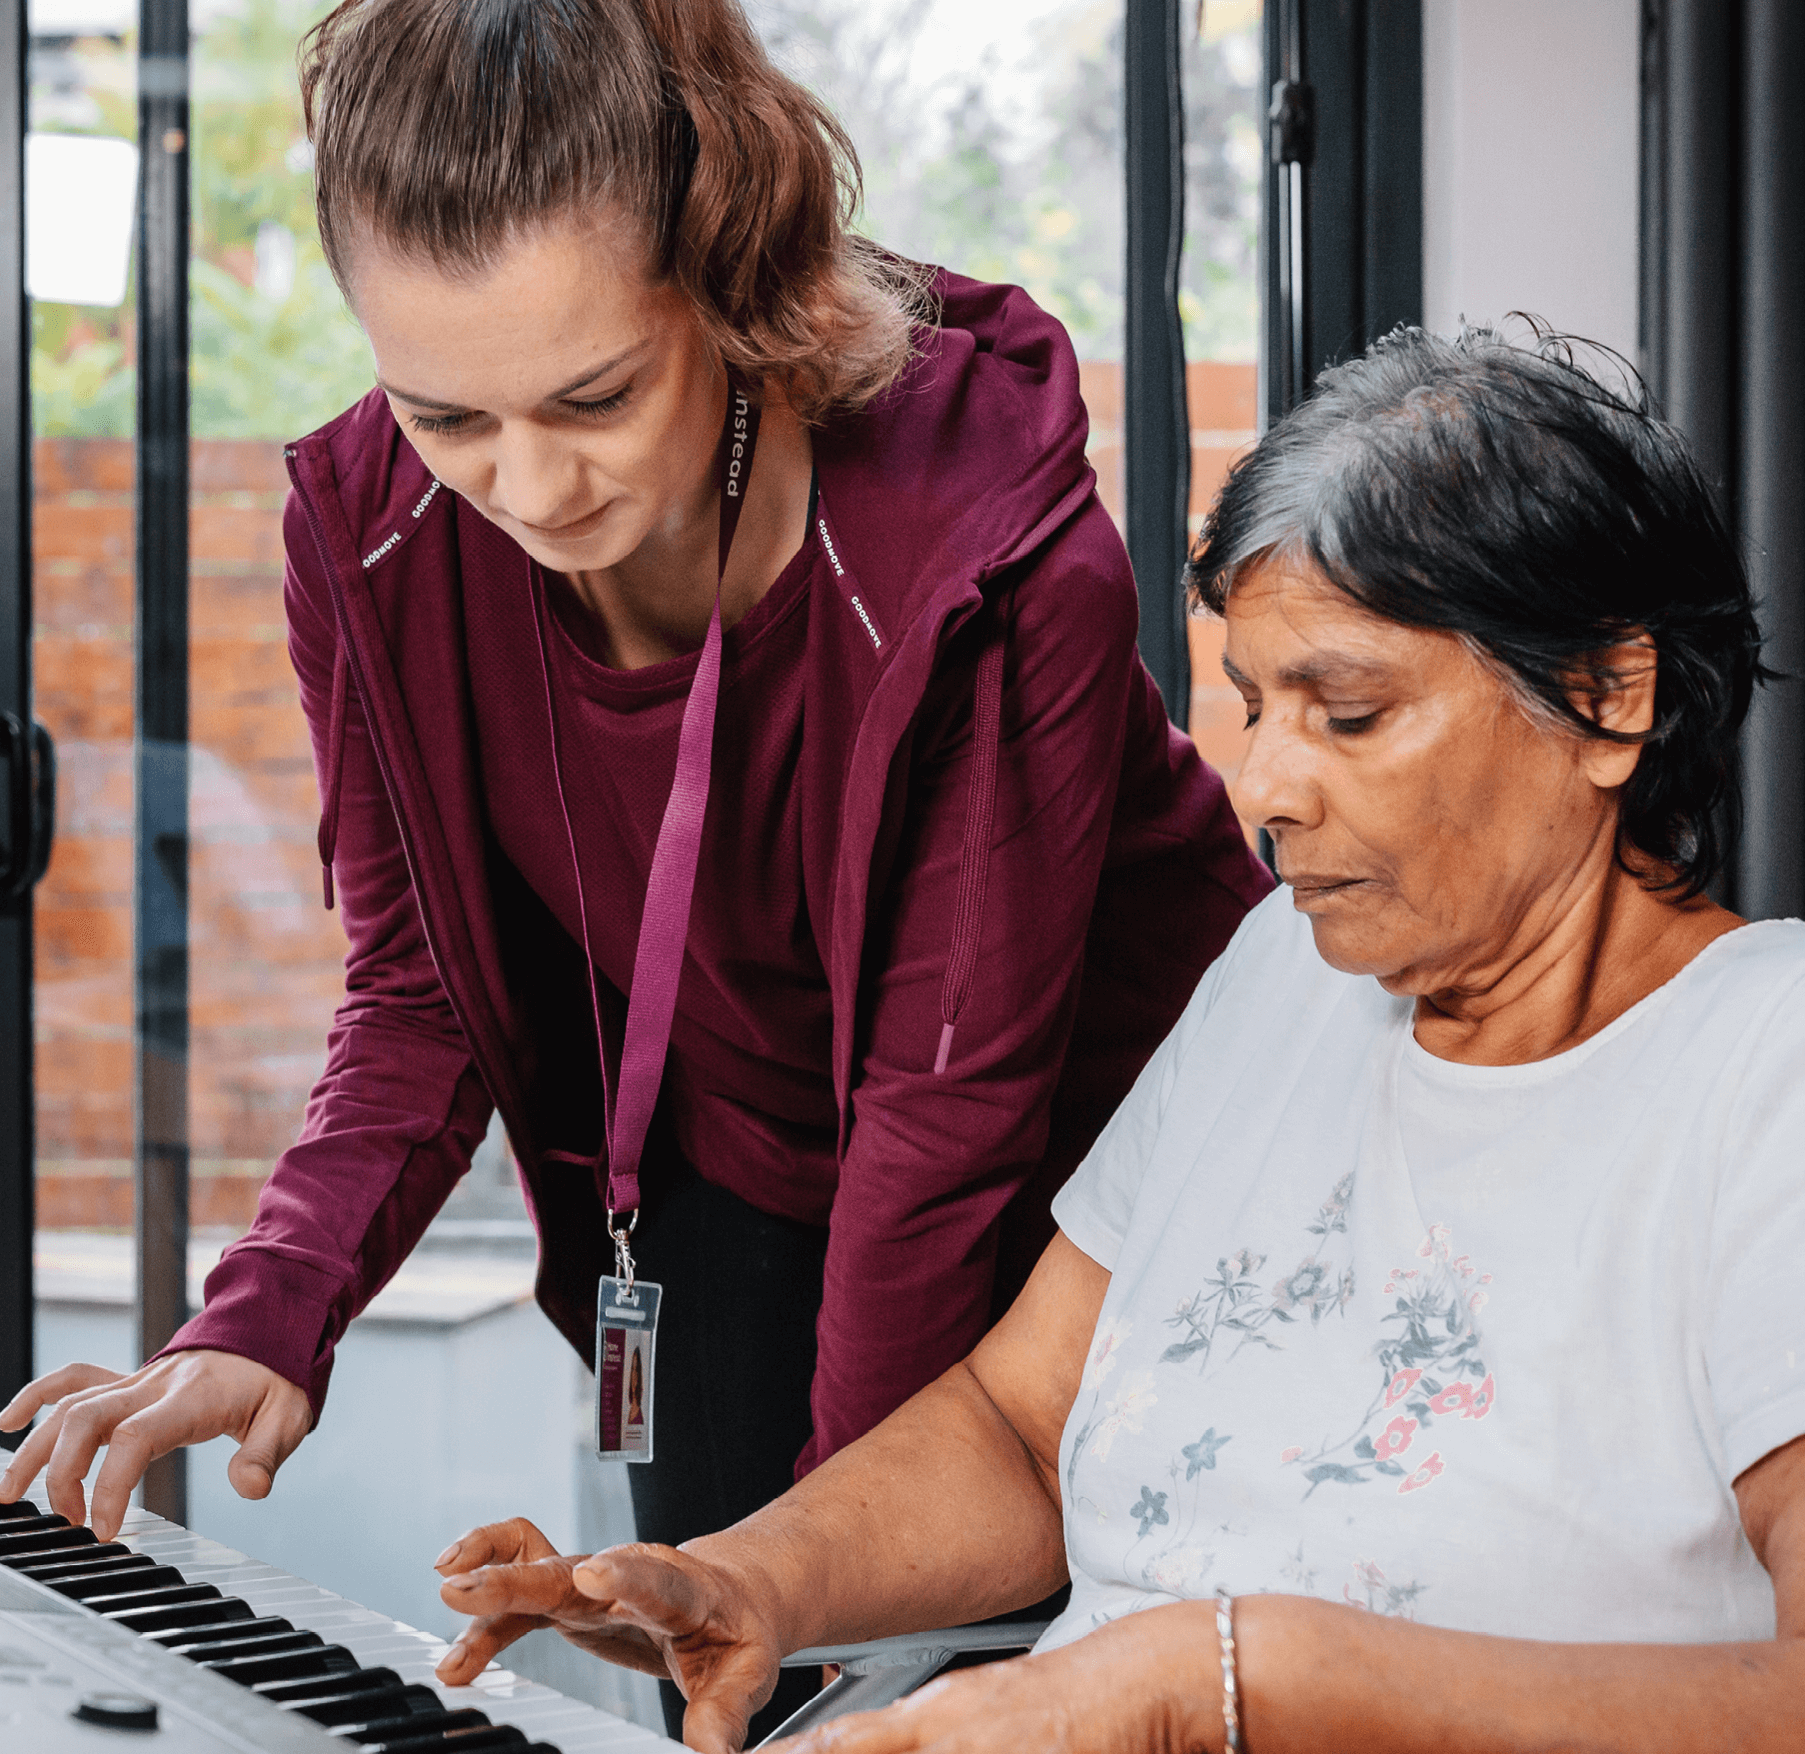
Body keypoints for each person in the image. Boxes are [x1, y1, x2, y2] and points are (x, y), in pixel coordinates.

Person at [0, 0, 1267, 1739]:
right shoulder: (370, 529)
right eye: (447, 413)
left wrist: (811, 1586)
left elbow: (945, 1112)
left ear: (732, 279)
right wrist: (267, 1310)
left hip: (1099, 1183)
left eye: (593, 396)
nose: (526, 486)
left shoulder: (987, 556)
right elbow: (421, 985)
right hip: (738, 1169)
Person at [411, 326, 1805, 1754]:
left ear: (1607, 698)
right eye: (1257, 707)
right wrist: (753, 1575)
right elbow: (1021, 1424)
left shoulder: (1769, 1071)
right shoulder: (1285, 972)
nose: (1266, 786)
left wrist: (1219, 1681)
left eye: (1353, 711)